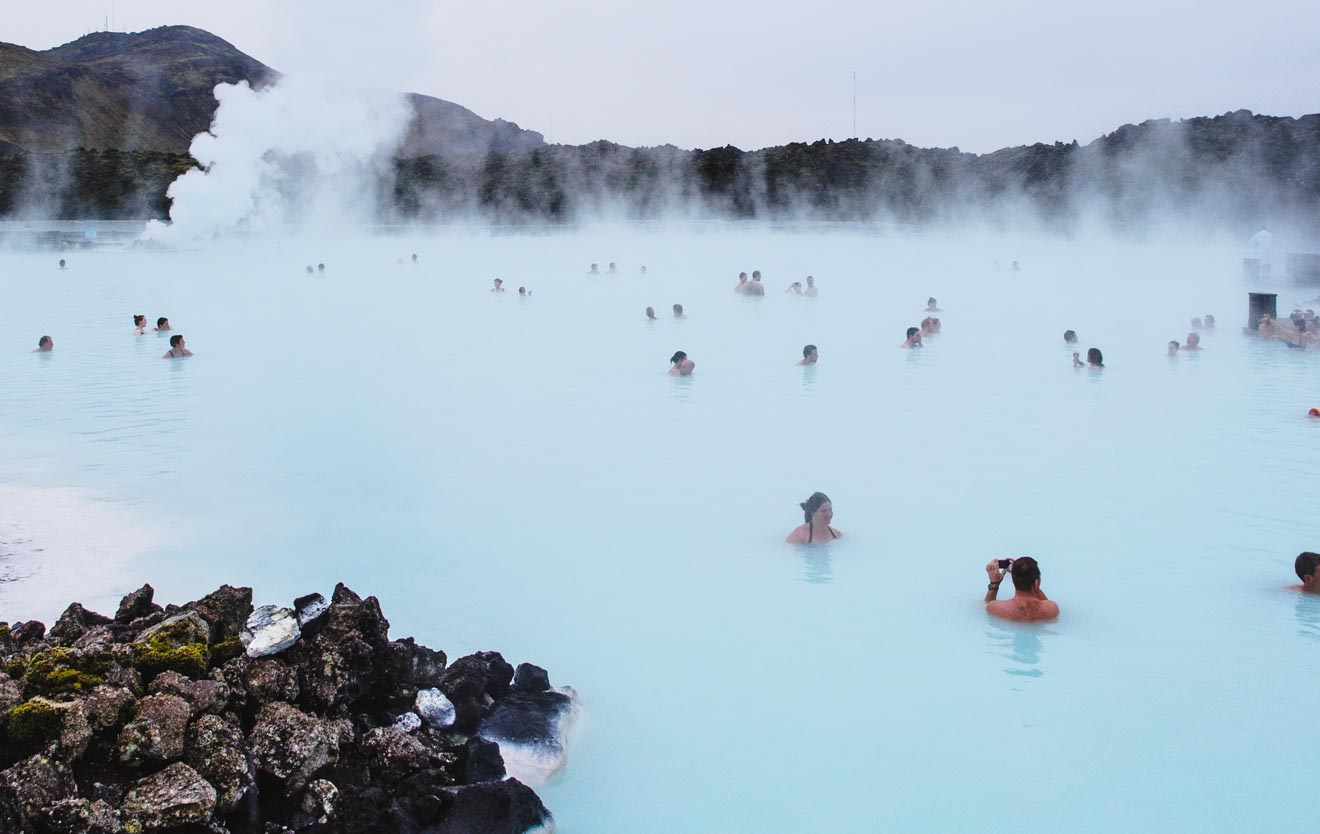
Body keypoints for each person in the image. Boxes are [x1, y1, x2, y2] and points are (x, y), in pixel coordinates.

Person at [983, 557, 1059, 622]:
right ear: (1036, 583)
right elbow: (1045, 602)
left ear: (1013, 580)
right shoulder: (1052, 609)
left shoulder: (995, 608)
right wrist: (1036, 587)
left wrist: (994, 583)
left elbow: (986, 606)